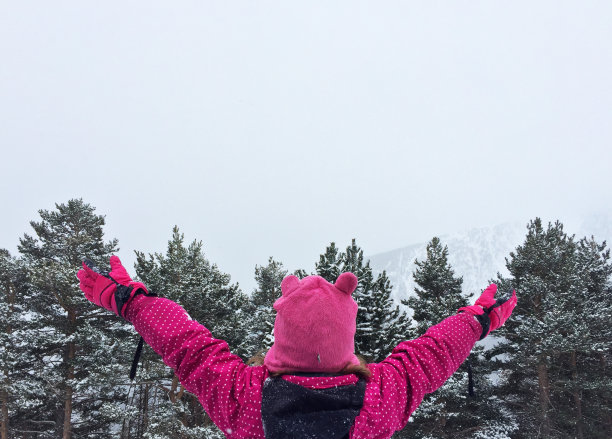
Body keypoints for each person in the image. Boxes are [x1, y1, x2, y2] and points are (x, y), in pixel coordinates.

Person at [77, 255, 517, 439]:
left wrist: (131, 300)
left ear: (280, 337)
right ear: (346, 339)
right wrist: (476, 320)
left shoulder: (245, 398)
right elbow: (430, 356)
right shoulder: (379, 401)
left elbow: (187, 345)